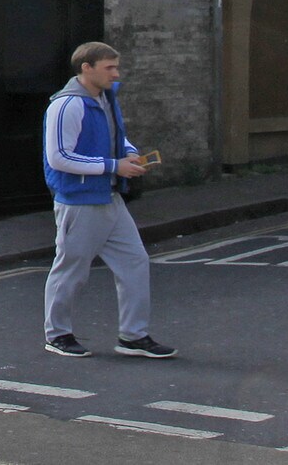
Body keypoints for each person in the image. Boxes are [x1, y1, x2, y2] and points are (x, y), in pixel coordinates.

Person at [41, 41, 175, 359]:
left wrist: (128, 153)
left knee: (134, 262)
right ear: (86, 68)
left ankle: (133, 335)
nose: (116, 73)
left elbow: (116, 135)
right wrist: (115, 166)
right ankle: (57, 334)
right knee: (71, 269)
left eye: (116, 66)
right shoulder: (67, 105)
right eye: (109, 68)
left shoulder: (105, 97)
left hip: (109, 196)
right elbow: (58, 157)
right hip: (79, 200)